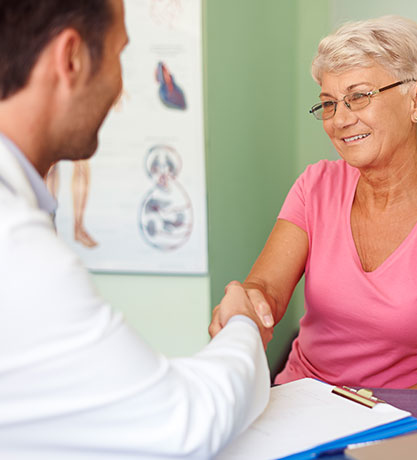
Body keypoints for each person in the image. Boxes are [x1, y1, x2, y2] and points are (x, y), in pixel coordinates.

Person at [0, 0, 270, 458]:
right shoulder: (17, 248)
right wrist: (244, 324)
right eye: (119, 54)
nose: (119, 83)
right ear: (72, 58)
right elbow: (182, 424)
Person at [210, 15, 417, 390]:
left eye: (359, 96)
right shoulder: (316, 185)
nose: (340, 120)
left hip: (392, 424)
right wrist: (246, 307)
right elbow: (267, 290)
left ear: (416, 99)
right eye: (329, 103)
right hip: (296, 401)